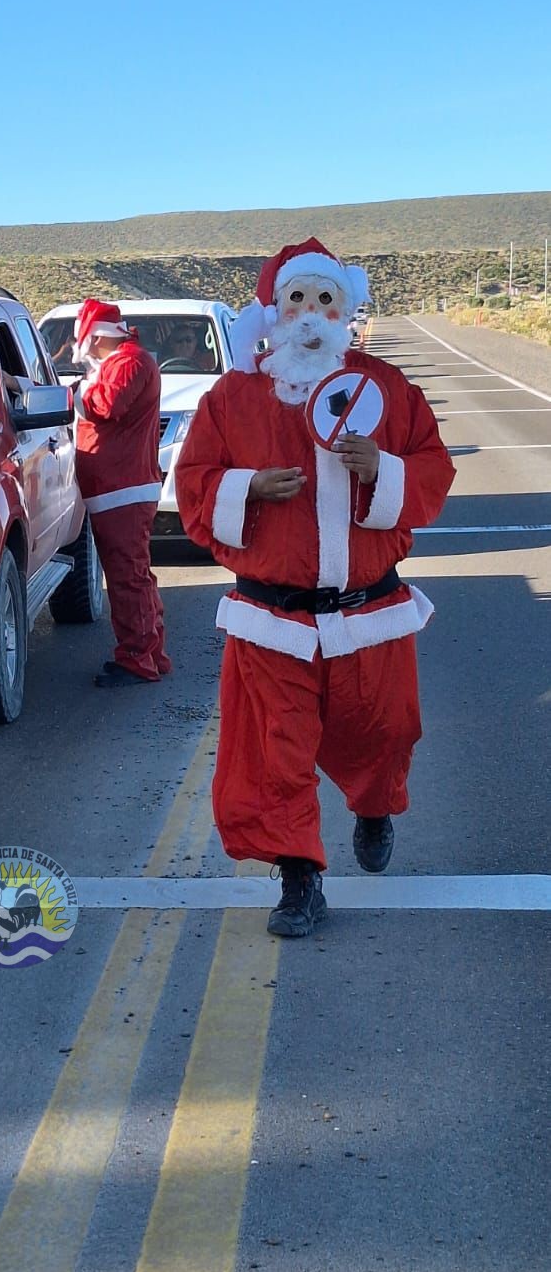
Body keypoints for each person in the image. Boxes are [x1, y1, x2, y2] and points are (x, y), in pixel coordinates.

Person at [175, 238, 455, 937]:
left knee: (385, 731)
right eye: (296, 299)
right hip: (274, 620)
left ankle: (373, 806)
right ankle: (299, 879)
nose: (310, 313)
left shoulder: (386, 388)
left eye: (324, 299)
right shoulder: (233, 396)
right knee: (276, 755)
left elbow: (433, 467)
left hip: (372, 616)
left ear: (345, 311)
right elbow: (194, 483)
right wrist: (248, 487)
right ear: (275, 311)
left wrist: (382, 468)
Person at [71, 298, 170, 687]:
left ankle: (137, 657)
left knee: (128, 576)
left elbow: (105, 404)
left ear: (95, 337)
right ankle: (151, 652)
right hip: (119, 486)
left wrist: (72, 395)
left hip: (121, 487)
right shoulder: (126, 361)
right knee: (136, 574)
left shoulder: (127, 363)